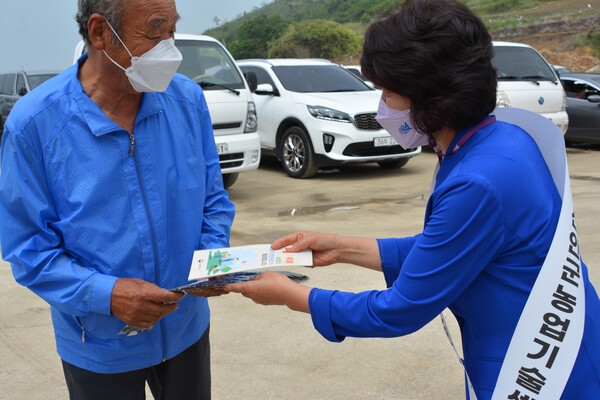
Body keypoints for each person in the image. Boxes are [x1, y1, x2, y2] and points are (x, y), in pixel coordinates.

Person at [224, 0, 600, 398]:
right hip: (564, 337)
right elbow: (448, 248)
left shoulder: (478, 181)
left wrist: (292, 296)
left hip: (537, 367)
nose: (382, 105)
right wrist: (342, 249)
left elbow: (399, 310)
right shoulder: (502, 139)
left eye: (389, 92)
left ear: (432, 97)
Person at [0, 0, 234, 398]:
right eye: (155, 29)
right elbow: (28, 248)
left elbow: (213, 197)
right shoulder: (34, 126)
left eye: (172, 28)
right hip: (98, 345)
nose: (170, 47)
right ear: (99, 32)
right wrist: (106, 295)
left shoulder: (187, 101)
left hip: (186, 330)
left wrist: (211, 256)